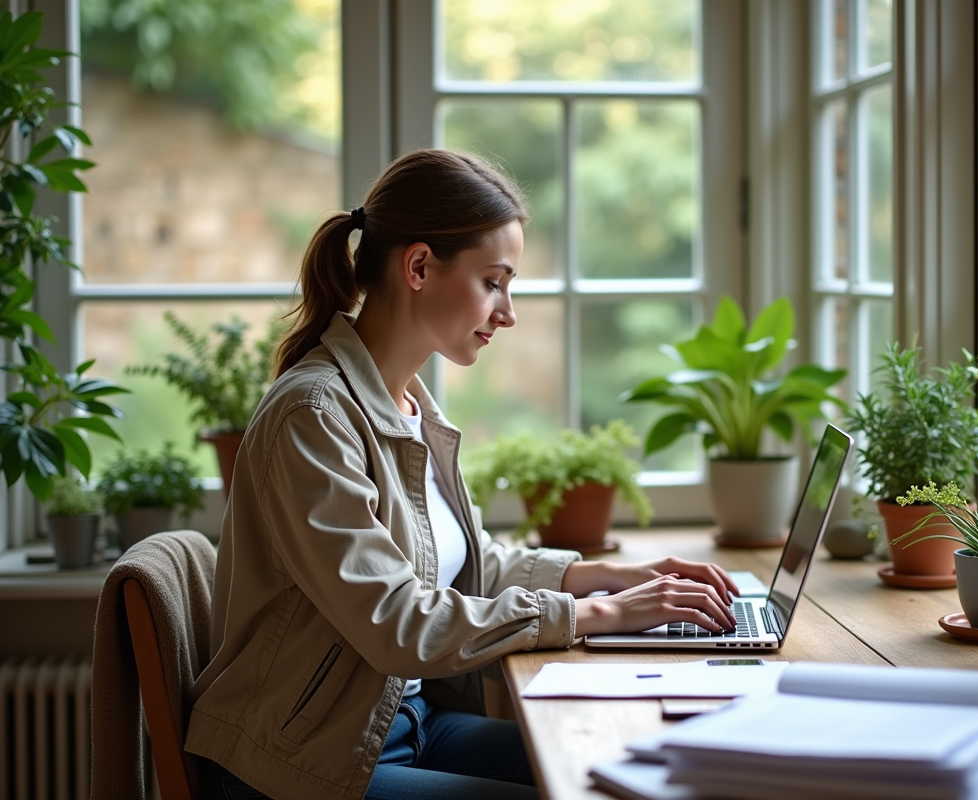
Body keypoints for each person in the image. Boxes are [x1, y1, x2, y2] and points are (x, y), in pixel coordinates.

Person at [184, 149, 740, 800]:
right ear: (418, 266)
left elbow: (471, 567)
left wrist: (619, 576)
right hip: (303, 763)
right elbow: (398, 622)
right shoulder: (314, 416)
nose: (507, 312)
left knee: (634, 763)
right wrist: (600, 612)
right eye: (494, 282)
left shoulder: (408, 405)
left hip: (410, 725)